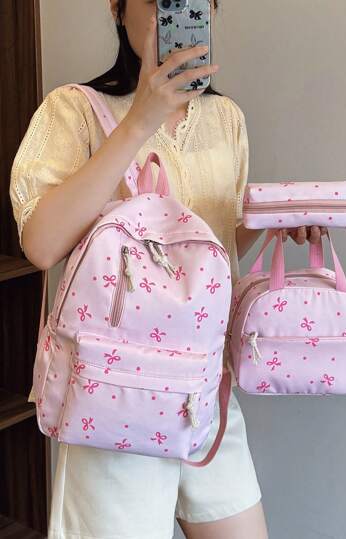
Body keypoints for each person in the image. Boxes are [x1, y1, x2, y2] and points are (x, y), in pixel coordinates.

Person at [9, 1, 325, 537]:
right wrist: (140, 120)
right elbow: (41, 244)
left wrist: (273, 223)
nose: (175, 12)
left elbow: (212, 254)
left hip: (204, 388)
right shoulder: (73, 109)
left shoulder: (226, 119)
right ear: (117, 8)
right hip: (114, 394)